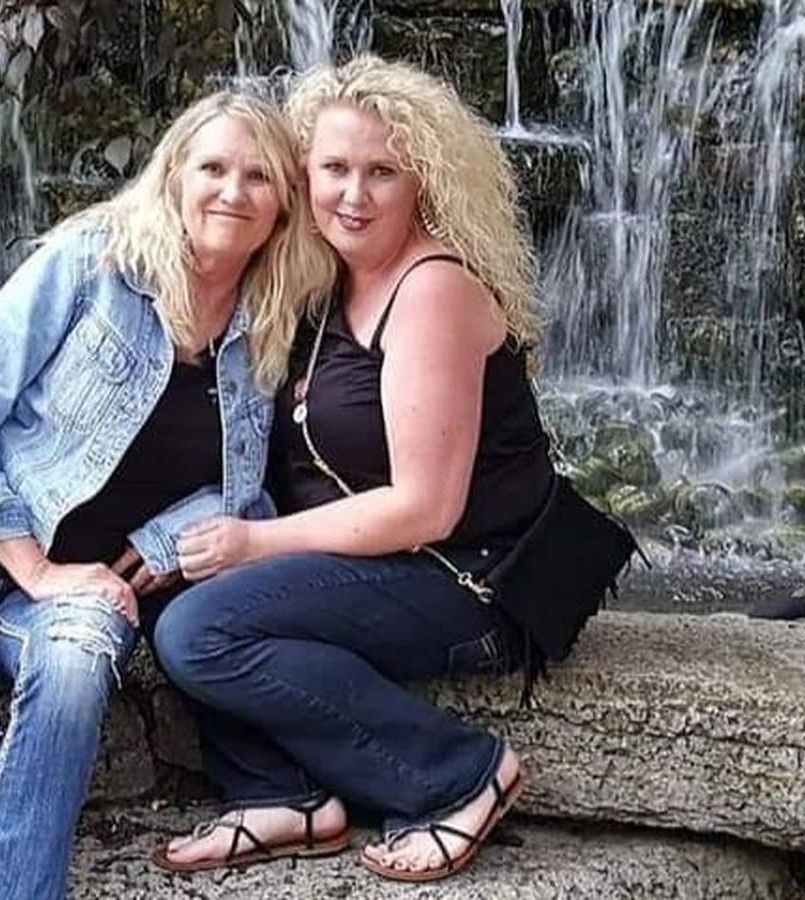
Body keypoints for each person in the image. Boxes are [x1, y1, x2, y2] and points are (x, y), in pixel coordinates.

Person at [0, 91, 333, 900]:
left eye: (258, 176)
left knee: (77, 667)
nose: (232, 191)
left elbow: (248, 488)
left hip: (83, 582)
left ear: (284, 201)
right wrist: (34, 569)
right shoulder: (93, 261)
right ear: (174, 176)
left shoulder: (273, 322)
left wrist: (162, 541)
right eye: (213, 168)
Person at [151, 56, 552, 883]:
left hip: (467, 580)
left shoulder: (431, 291)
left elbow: (425, 509)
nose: (354, 195)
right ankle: (280, 795)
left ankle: (459, 775)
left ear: (424, 181)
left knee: (202, 631)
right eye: (334, 169)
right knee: (175, 585)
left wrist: (254, 543)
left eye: (382, 173)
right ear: (303, 176)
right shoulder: (324, 281)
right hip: (378, 562)